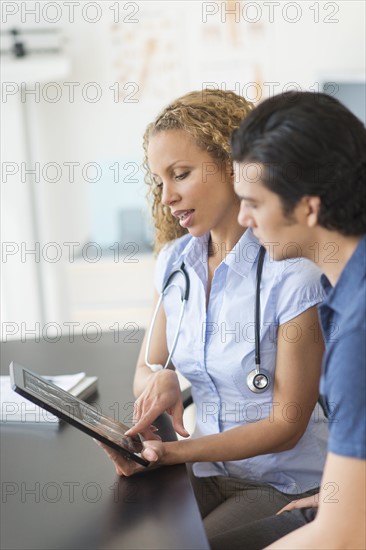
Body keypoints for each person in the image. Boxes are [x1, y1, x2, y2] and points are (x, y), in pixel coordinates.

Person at [96, 89, 328, 543]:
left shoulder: (293, 271)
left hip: (281, 482)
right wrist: (159, 382)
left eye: (180, 174)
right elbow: (148, 367)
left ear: (232, 162)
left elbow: (286, 426)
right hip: (205, 471)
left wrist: (174, 452)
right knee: (127, 536)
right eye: (159, 180)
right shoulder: (176, 262)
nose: (167, 196)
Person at [209, 90, 365, 549]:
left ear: (309, 207)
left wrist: (338, 514)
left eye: (254, 202)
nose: (243, 217)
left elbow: (343, 538)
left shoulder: (356, 329)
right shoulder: (343, 291)